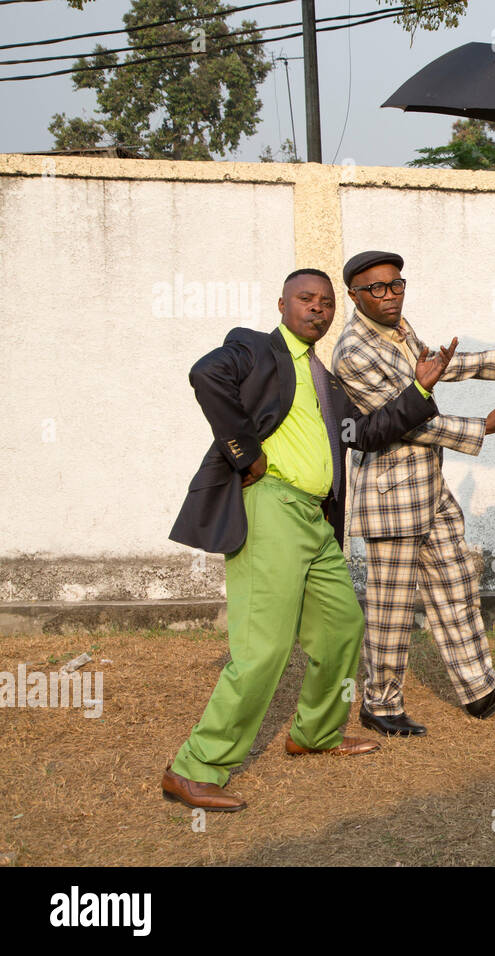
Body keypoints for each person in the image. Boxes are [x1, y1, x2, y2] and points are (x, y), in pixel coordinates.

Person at [164, 268, 456, 812]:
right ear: (282, 304)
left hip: (317, 521)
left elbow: (366, 433)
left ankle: (316, 733)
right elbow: (205, 375)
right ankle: (195, 767)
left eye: (325, 302)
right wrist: (243, 451)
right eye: (306, 299)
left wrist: (420, 388)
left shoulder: (327, 381)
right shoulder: (252, 350)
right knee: (263, 648)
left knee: (344, 626)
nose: (317, 309)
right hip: (270, 504)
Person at [332, 250, 495, 733]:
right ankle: (380, 705)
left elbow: (435, 366)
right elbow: (402, 421)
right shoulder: (352, 351)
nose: (390, 296)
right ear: (354, 295)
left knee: (456, 586)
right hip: (391, 495)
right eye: (377, 289)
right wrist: (481, 428)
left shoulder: (398, 328)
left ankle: (480, 687)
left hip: (429, 488)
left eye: (397, 285)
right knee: (391, 609)